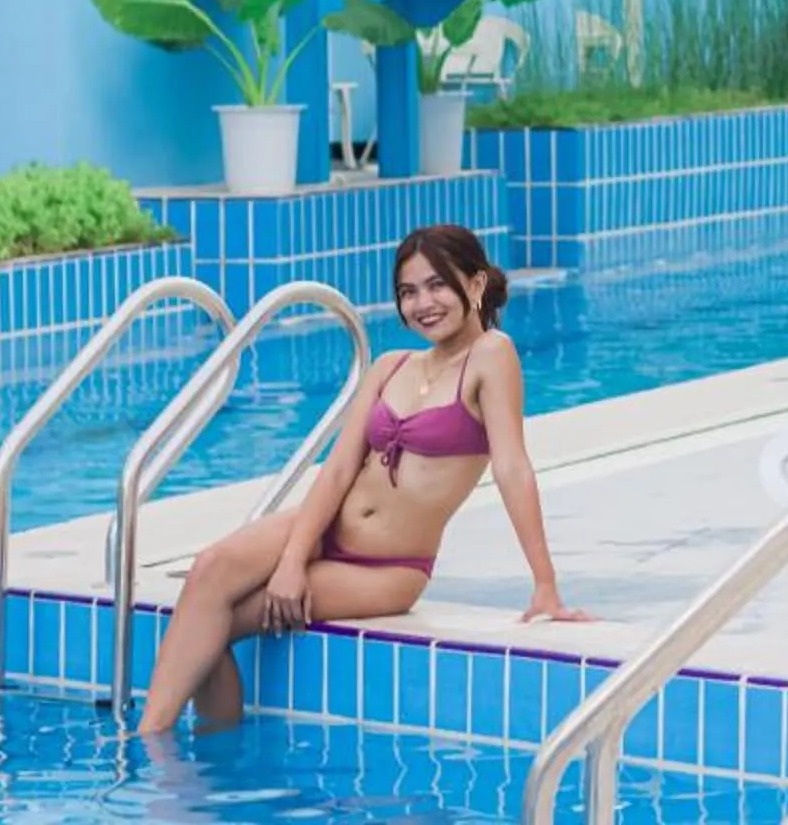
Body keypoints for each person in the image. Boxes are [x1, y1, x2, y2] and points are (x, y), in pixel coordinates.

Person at [136, 224, 586, 735]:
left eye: (437, 285)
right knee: (208, 573)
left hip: (387, 568)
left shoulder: (491, 355)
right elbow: (337, 471)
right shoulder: (390, 366)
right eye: (408, 292)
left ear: (476, 284)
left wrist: (545, 585)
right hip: (325, 528)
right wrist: (292, 560)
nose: (423, 303)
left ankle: (163, 755)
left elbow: (512, 467)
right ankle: (155, 744)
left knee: (221, 624)